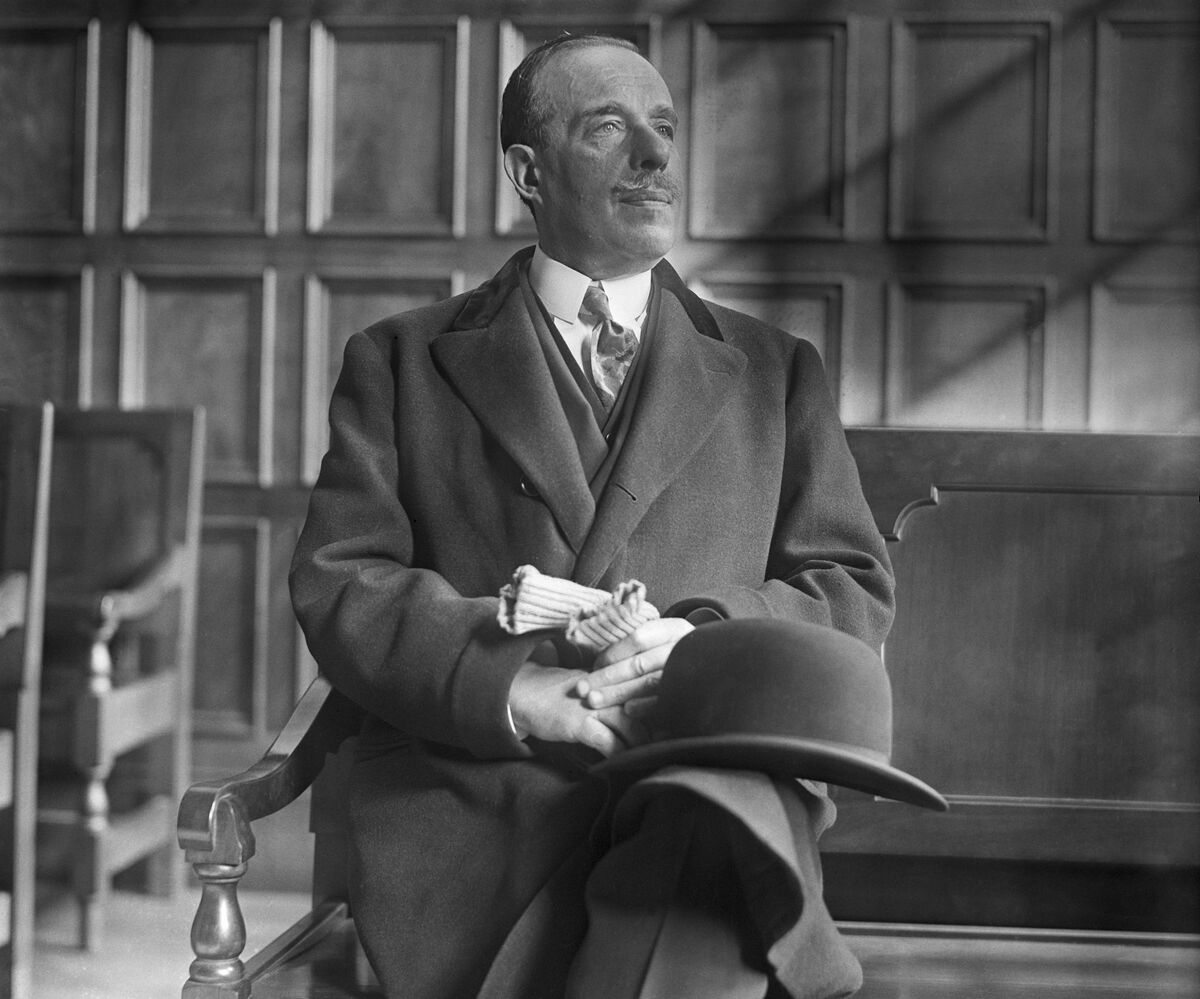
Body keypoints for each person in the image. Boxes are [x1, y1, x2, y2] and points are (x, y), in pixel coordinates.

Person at [291, 32, 893, 999]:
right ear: (527, 172)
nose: (657, 160)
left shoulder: (778, 373)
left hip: (703, 772)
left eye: (665, 130)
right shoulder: (400, 360)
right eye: (611, 129)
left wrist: (696, 646)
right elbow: (341, 576)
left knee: (710, 830)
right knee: (695, 893)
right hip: (485, 797)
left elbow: (850, 585)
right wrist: (515, 689)